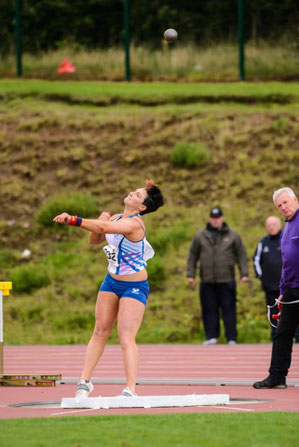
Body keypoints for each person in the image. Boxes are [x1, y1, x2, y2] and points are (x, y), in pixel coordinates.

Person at [53, 179, 164, 400]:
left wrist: (74, 220)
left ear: (142, 207)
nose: (131, 193)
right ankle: (84, 381)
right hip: (111, 282)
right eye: (133, 191)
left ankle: (130, 389)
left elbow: (102, 228)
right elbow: (95, 239)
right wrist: (101, 221)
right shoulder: (115, 218)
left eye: (137, 194)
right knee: (99, 330)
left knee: (126, 336)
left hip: (134, 285)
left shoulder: (135, 224)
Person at [254, 187, 299, 389]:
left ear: (295, 199)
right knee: (282, 334)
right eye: (279, 206)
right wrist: (282, 290)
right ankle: (277, 377)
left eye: (285, 203)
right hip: (290, 290)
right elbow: (286, 262)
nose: (283, 208)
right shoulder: (287, 228)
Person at [187, 206, 248, 345]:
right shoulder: (200, 235)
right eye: (213, 218)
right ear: (210, 219)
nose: (215, 220)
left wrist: (244, 273)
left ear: (222, 218)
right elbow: (192, 256)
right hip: (207, 280)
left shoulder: (232, 235)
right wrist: (191, 274)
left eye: (218, 217)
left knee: (229, 309)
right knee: (209, 309)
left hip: (227, 279)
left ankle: (231, 338)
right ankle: (211, 337)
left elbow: (241, 254)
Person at [254, 216, 299, 342]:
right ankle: (275, 336)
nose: (271, 227)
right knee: (274, 312)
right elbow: (256, 261)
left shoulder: (287, 238)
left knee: (293, 312)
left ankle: (297, 336)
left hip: (289, 286)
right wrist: (262, 278)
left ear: (280, 225)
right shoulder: (263, 242)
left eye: (274, 224)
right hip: (270, 286)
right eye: (269, 225)